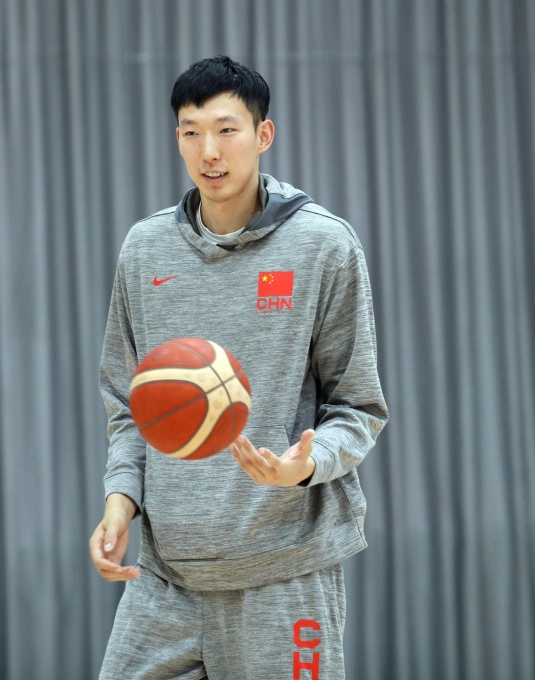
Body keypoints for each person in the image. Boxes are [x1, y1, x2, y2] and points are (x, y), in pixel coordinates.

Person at [89, 56, 389, 679]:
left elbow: (357, 408)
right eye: (191, 131)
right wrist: (121, 504)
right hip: (167, 576)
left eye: (226, 129)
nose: (209, 150)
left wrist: (304, 466)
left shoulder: (323, 245)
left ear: (263, 135)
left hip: (284, 574)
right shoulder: (145, 249)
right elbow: (128, 405)